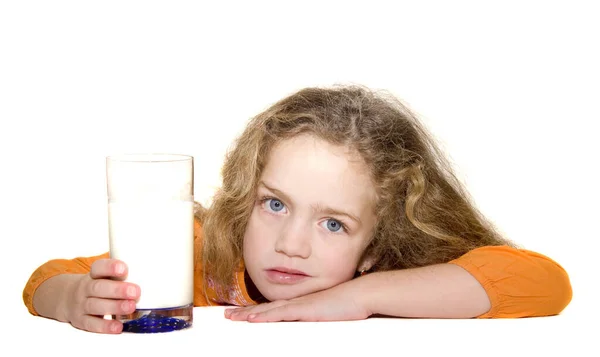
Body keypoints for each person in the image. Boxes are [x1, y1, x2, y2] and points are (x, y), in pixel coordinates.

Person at [22, 84, 573, 334]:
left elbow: (544, 281)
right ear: (245, 197)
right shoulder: (202, 254)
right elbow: (46, 278)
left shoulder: (397, 277)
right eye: (275, 205)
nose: (291, 244)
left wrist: (357, 298)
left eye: (334, 223)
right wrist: (74, 298)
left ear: (376, 247)